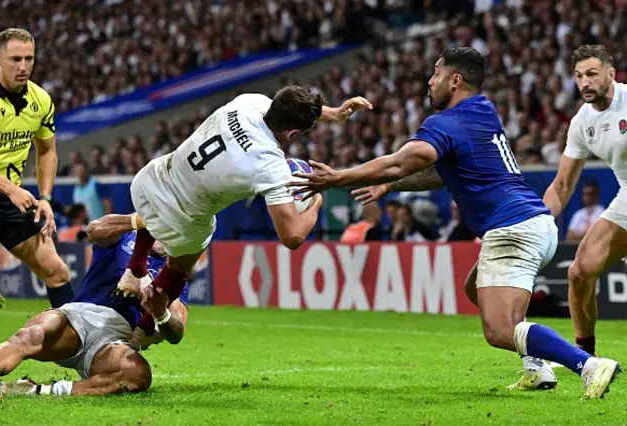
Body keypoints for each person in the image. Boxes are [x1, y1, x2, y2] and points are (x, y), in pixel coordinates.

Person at [292, 47, 620, 400]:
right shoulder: (482, 111)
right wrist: (390, 185)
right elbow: (438, 171)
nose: (429, 81)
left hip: (512, 230)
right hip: (533, 223)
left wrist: (339, 177)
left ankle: (587, 364)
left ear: (455, 79)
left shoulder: (446, 123)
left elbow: (404, 160)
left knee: (499, 330)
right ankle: (537, 369)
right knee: (474, 288)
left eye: (436, 73)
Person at [117, 86, 372, 336]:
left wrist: (334, 113)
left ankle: (135, 269)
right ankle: (144, 327)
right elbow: (292, 237)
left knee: (156, 213)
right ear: (293, 134)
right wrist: (315, 202)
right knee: (186, 255)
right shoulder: (271, 165)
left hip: (150, 179)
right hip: (180, 217)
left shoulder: (249, 102)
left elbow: (287, 107)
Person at [0, 213, 189, 396]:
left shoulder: (173, 273)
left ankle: (40, 390)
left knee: (138, 375)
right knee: (31, 335)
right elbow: (94, 229)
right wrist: (141, 219)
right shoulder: (127, 236)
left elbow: (177, 331)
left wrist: (161, 313)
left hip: (115, 340)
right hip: (79, 317)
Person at [542, 45, 627, 358]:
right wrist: (538, 219)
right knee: (579, 272)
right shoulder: (582, 122)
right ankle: (586, 359)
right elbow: (563, 184)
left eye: (591, 74)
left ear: (610, 74)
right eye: (578, 76)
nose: (584, 82)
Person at [0, 28, 74, 308]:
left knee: (57, 272)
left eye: (29, 58)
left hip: (9, 201)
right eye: (15, 59)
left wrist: (45, 198)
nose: (23, 66)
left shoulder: (41, 100)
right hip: (5, 191)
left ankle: (75, 348)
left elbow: (47, 151)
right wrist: (11, 188)